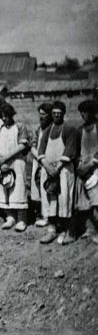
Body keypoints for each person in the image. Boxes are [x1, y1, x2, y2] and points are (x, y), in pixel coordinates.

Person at [36, 101, 79, 245]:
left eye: (59, 114)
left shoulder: (69, 129)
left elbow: (70, 150)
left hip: (63, 170)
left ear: (63, 114)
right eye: (54, 114)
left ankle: (68, 231)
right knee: (50, 200)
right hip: (49, 171)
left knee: (65, 199)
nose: (56, 116)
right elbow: (41, 151)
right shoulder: (47, 130)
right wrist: (48, 168)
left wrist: (57, 168)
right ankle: (52, 229)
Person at [0, 103, 31, 231]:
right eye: (2, 116)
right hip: (1, 164)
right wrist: (0, 160)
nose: (4, 119)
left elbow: (22, 146)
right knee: (4, 189)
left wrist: (6, 158)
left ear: (12, 115)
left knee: (18, 189)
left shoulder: (20, 127)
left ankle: (21, 219)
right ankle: (10, 217)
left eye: (7, 116)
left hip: (17, 162)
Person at [75, 100, 98, 243]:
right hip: (83, 170)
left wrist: (91, 164)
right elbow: (77, 151)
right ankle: (90, 229)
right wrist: (80, 166)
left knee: (97, 202)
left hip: (96, 168)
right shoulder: (79, 130)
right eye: (81, 112)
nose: (83, 115)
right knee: (85, 202)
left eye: (86, 111)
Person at [29, 103, 53, 228]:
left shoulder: (53, 129)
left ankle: (48, 216)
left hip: (48, 162)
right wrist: (37, 156)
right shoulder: (38, 129)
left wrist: (44, 159)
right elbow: (33, 144)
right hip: (38, 160)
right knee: (37, 187)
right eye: (40, 114)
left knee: (47, 188)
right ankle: (40, 213)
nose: (41, 117)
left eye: (44, 114)